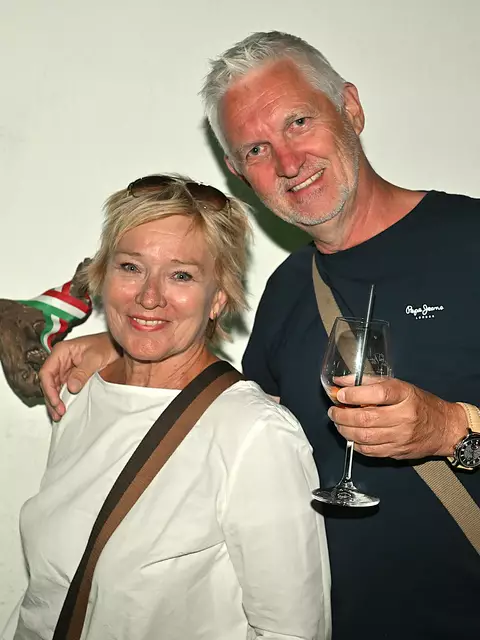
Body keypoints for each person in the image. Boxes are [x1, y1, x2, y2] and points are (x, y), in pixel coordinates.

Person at [39, 32, 480, 639]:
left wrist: (453, 429)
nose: (288, 162)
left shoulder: (470, 240)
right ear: (238, 172)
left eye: (298, 121)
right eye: (256, 148)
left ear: (350, 108)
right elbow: (238, 423)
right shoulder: (288, 290)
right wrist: (124, 348)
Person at [2, 174, 331, 640]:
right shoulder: (81, 392)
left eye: (181, 275)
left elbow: (292, 631)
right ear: (102, 277)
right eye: (130, 267)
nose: (149, 296)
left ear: (218, 299)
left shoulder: (253, 433)